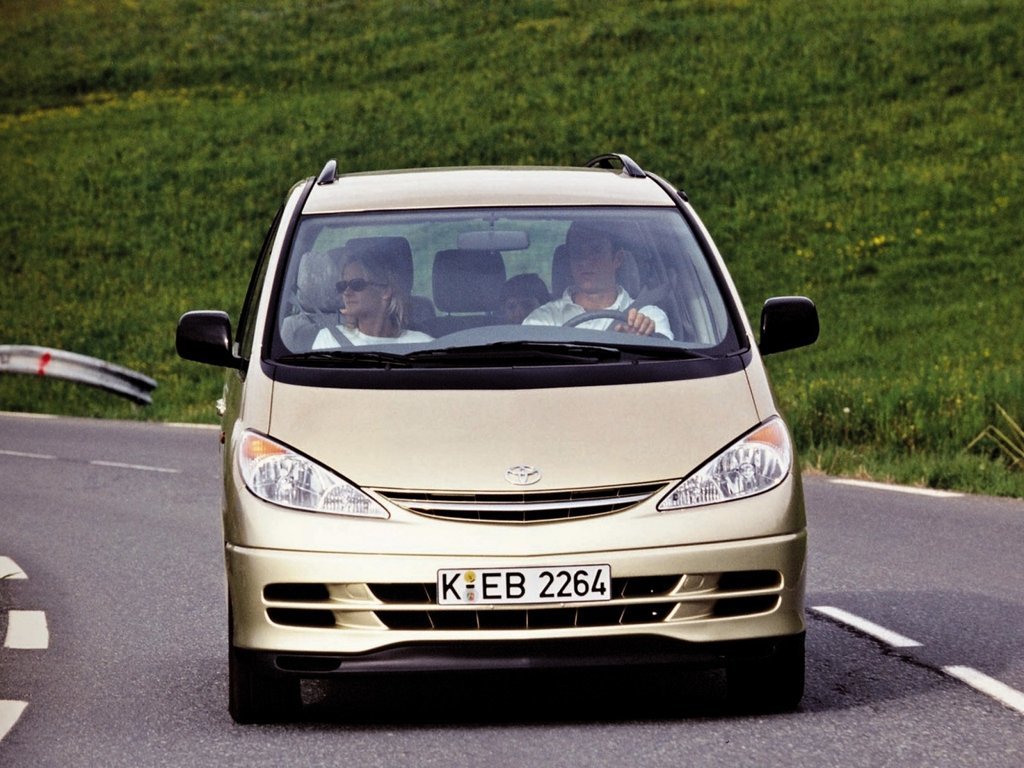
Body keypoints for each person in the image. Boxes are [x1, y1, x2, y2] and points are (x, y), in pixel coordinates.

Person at [523, 222, 673, 338]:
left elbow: (668, 367)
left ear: (617, 259)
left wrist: (643, 342)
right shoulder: (544, 320)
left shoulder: (647, 317)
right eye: (577, 252)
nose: (585, 262)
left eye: (596, 251)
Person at [311, 249, 433, 348]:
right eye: (342, 286)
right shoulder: (328, 339)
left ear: (385, 291)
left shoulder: (423, 344)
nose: (347, 292)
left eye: (357, 284)